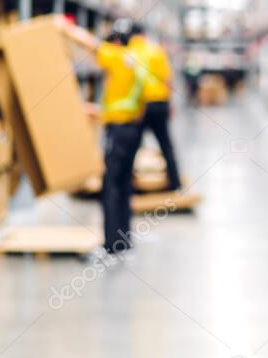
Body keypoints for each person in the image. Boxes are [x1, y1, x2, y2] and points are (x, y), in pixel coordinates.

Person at [61, 18, 146, 253]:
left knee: (110, 186)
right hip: (132, 128)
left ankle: (111, 245)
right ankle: (124, 240)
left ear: (118, 41)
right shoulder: (136, 60)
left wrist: (64, 27)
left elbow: (91, 44)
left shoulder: (118, 57)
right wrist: (99, 112)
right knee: (124, 184)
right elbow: (128, 101)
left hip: (118, 131)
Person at [130, 25, 182, 193]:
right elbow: (167, 79)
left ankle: (131, 184)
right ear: (144, 34)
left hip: (140, 106)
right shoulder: (157, 51)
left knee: (133, 145)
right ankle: (175, 183)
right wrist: (169, 104)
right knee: (166, 144)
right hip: (159, 103)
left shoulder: (129, 53)